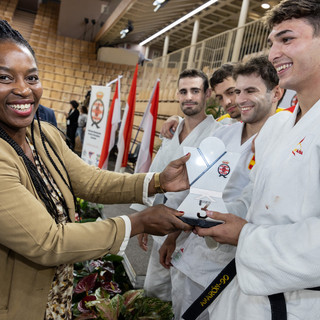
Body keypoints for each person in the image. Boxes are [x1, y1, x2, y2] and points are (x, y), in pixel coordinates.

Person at [0, 20, 192, 320]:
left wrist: (157, 181)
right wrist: (137, 223)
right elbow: (49, 242)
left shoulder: (43, 133)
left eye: (32, 77)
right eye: (4, 78)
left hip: (55, 297)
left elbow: (89, 180)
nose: (24, 89)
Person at [193, 1, 320, 319]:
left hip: (301, 303)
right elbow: (259, 199)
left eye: (287, 39)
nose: (274, 53)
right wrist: (216, 216)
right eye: (271, 42)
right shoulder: (279, 124)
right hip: (248, 296)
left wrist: (245, 236)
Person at [160, 55, 282, 319]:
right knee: (179, 309)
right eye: (238, 91)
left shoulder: (282, 142)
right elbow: (193, 187)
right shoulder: (222, 135)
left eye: (251, 91)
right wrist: (172, 235)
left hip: (231, 263)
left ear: (277, 94)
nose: (240, 99)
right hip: (191, 251)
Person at [136, 69, 223, 301]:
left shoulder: (217, 134)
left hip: (189, 230)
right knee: (154, 289)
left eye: (195, 91)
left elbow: (204, 191)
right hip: (160, 219)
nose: (189, 97)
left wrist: (173, 237)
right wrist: (145, 219)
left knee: (181, 294)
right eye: (183, 91)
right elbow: (155, 174)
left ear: (208, 94)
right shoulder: (172, 131)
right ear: (177, 95)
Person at [160, 64, 240, 139]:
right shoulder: (223, 126)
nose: (226, 102)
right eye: (220, 97)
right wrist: (176, 119)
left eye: (231, 92)